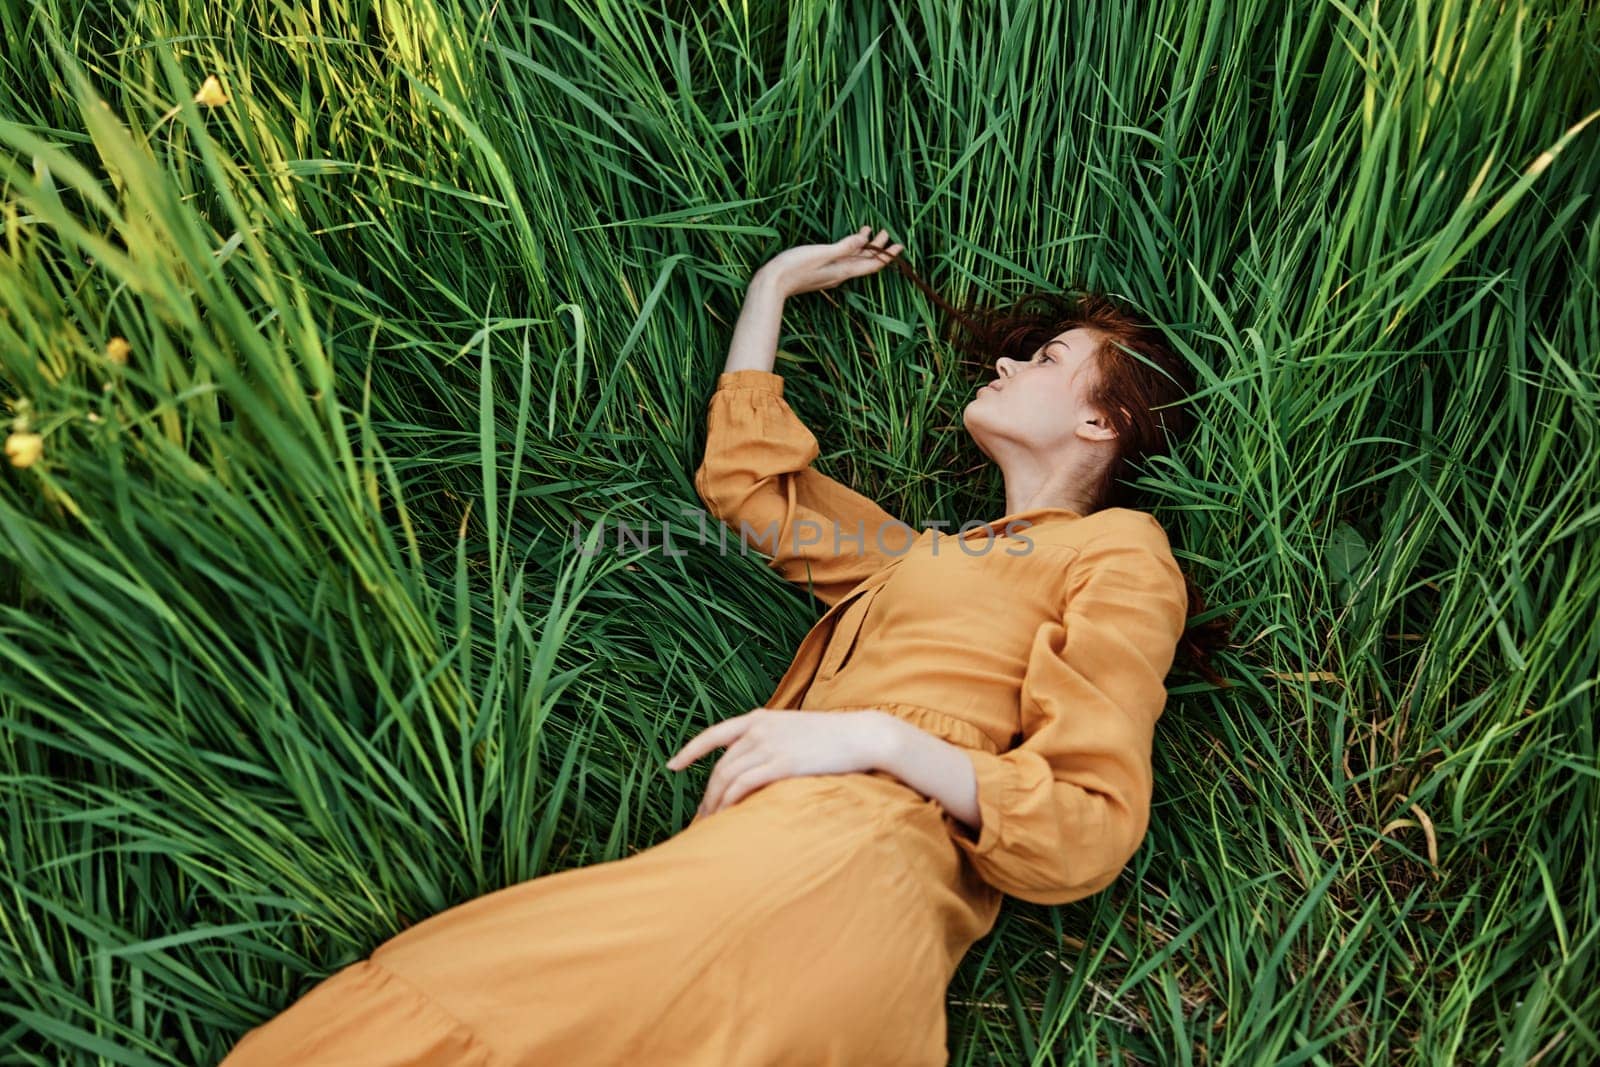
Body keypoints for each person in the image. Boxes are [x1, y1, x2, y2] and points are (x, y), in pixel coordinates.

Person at [220, 226, 1227, 1065]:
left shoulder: (1122, 555)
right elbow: (753, 490)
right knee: (458, 993)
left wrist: (872, 736)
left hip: (853, 858)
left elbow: (1087, 822)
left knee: (467, 1004)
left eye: (1045, 358)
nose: (1007, 362)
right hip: (779, 869)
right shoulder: (918, 556)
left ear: (1103, 419)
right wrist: (772, 287)